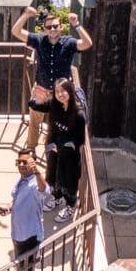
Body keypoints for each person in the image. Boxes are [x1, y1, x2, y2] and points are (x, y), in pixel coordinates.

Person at [18, 8, 94, 152]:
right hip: (41, 89)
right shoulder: (39, 40)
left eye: (55, 26)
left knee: (58, 121)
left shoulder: (69, 43)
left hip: (61, 93)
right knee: (35, 121)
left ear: (61, 27)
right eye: (49, 27)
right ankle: (30, 149)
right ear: (45, 29)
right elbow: (16, 32)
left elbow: (87, 43)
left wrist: (77, 24)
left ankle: (53, 148)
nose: (52, 29)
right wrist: (26, 15)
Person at [42, 74, 88, 209]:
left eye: (63, 90)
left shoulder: (78, 114)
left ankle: (70, 205)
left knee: (69, 179)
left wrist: (63, 145)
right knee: (54, 175)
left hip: (69, 154)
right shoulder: (56, 107)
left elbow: (80, 139)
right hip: (55, 150)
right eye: (57, 91)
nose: (60, 94)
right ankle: (57, 198)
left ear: (70, 91)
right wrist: (52, 145)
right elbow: (52, 130)